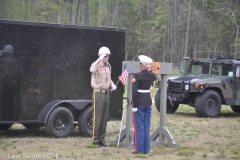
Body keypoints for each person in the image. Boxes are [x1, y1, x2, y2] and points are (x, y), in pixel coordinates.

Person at [89, 46, 117, 147]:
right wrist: (99, 60)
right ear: (101, 56)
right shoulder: (96, 65)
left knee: (105, 117)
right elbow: (91, 70)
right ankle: (95, 139)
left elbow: (108, 77)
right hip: (98, 93)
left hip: (106, 93)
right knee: (97, 116)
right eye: (105, 56)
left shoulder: (108, 66)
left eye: (108, 56)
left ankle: (102, 139)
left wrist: (112, 84)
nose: (107, 57)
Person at [131, 55, 157, 154]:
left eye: (140, 63)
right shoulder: (151, 75)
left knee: (138, 127)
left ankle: (139, 149)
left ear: (141, 65)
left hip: (139, 103)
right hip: (148, 102)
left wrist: (134, 105)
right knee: (146, 126)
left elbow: (134, 91)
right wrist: (149, 69)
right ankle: (146, 149)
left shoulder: (137, 76)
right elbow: (154, 76)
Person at [0, 45, 22, 120]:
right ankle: (12, 116)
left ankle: (3, 116)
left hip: (3, 84)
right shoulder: (16, 61)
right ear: (12, 53)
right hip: (13, 84)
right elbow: (20, 73)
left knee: (3, 101)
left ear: (5, 52)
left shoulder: (1, 61)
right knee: (12, 101)